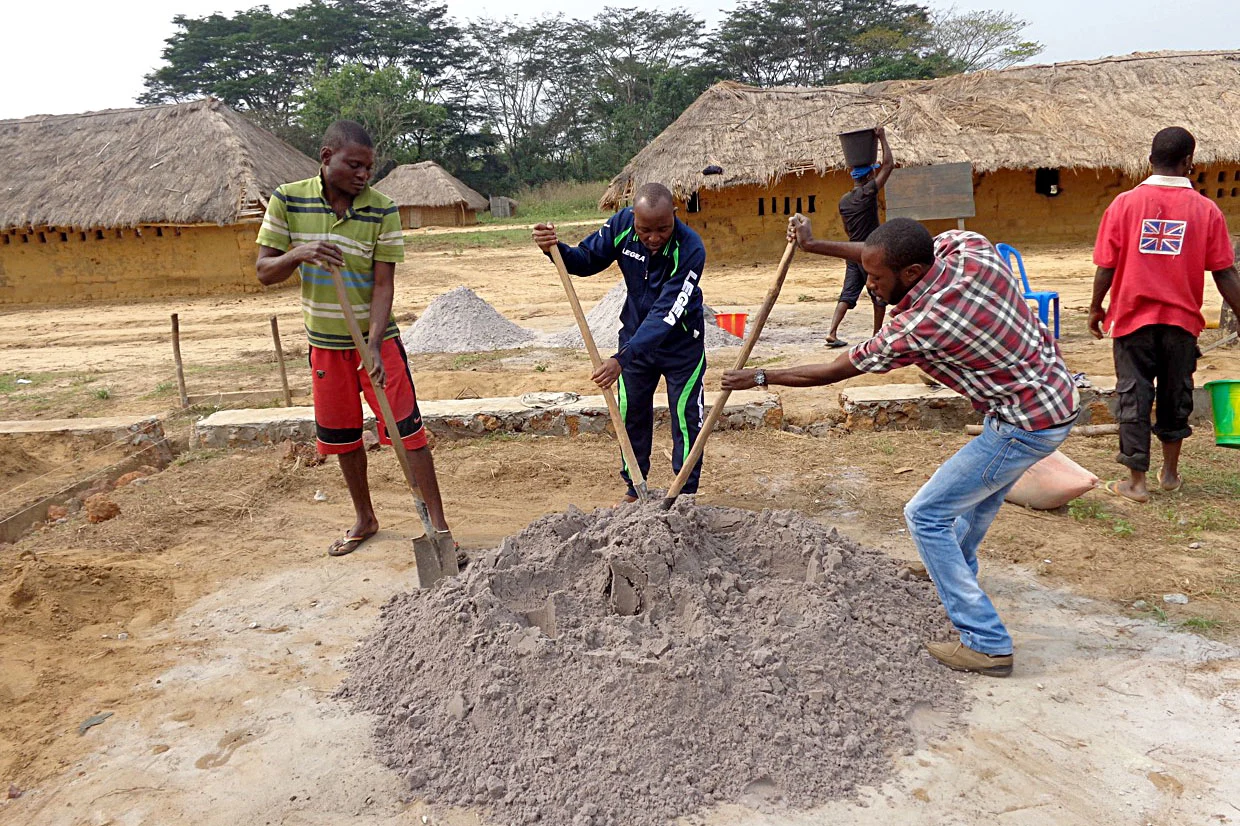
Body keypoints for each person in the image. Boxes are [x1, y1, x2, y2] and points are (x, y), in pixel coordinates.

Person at [724, 215, 1079, 677]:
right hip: (1051, 396)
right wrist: (814, 246)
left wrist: (759, 376)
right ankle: (949, 568)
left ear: (911, 273)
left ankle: (987, 643)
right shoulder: (967, 249)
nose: (869, 285)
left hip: (1024, 425)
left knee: (926, 514)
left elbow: (834, 370)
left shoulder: (920, 326)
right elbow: (881, 252)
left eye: (875, 279)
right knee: (975, 502)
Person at [255, 120, 451, 556]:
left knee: (408, 433)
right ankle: (365, 518)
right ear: (327, 158)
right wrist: (300, 252)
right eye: (354, 165)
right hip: (326, 346)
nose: (364, 175)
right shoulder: (287, 200)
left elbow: (384, 284)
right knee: (344, 438)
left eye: (369, 167)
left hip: (378, 342)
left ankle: (438, 528)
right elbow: (264, 271)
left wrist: (374, 344)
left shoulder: (382, 209)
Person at [1090, 126, 1240, 503]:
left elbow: (1106, 266)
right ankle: (1169, 474)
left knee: (1134, 394)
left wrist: (1096, 307)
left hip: (1131, 320)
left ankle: (1136, 483)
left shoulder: (1123, 204)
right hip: (1181, 324)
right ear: (1189, 162)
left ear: (1149, 160)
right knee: (1176, 395)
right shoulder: (1206, 210)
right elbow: (1225, 273)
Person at [532, 183, 707, 503]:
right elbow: (585, 259)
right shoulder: (621, 225)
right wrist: (553, 249)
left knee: (686, 417)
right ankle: (635, 486)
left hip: (681, 345)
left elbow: (666, 313)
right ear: (633, 218)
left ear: (674, 215)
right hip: (634, 341)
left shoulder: (691, 248)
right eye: (644, 230)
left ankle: (683, 494)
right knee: (631, 414)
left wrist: (621, 358)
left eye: (662, 229)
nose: (653, 238)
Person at [825, 126, 894, 348]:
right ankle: (876, 335)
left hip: (852, 251)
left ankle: (832, 332)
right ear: (869, 176)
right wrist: (882, 137)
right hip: (870, 251)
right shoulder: (867, 193)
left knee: (848, 293)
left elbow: (847, 229)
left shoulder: (844, 201)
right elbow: (889, 165)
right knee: (878, 294)